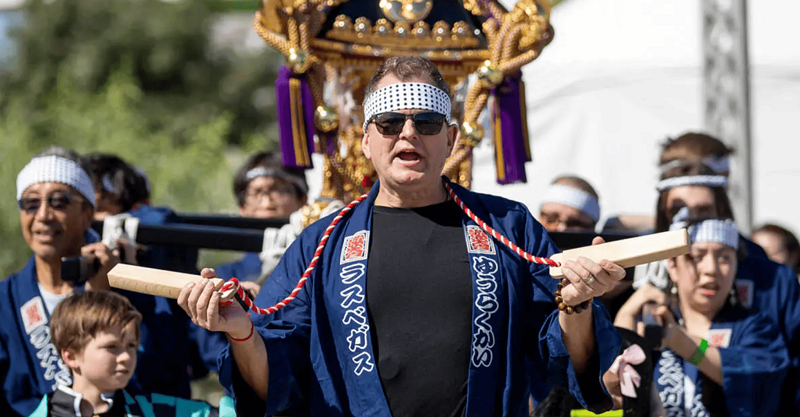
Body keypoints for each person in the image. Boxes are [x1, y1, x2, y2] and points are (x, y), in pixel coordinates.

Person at [179, 56, 626, 416]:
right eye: (390, 123)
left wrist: (579, 302)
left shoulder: (506, 226)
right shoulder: (324, 243)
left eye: (427, 123)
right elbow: (275, 372)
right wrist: (240, 332)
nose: (408, 133)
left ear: (450, 139)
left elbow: (562, 351)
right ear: (366, 140)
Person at [0, 150, 189, 416]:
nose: (43, 215)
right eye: (30, 204)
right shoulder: (5, 299)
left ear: (89, 213)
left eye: (59, 202)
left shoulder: (132, 283)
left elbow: (161, 381)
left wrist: (103, 299)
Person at [614, 211, 789, 415]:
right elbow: (614, 390)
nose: (711, 269)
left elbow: (759, 375)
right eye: (697, 257)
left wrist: (681, 341)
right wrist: (626, 316)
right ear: (672, 266)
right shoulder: (651, 318)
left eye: (724, 258)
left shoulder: (754, 325)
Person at [28, 290, 235, 417]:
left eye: (131, 346)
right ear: (71, 356)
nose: (126, 356)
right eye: (112, 347)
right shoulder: (44, 414)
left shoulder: (159, 410)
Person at [215, 151, 310, 295]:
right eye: (256, 193)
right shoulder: (224, 276)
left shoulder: (316, 264)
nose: (266, 203)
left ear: (303, 200)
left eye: (277, 190)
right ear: (242, 207)